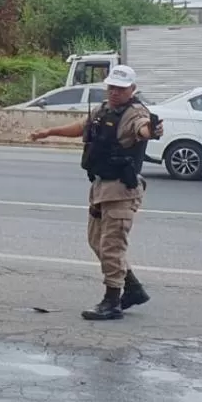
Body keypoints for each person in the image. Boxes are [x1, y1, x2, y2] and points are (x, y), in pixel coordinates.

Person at [29, 64, 164, 320]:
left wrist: (153, 130)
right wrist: (49, 132)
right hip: (101, 187)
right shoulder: (104, 110)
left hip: (122, 191)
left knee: (112, 246)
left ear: (132, 90)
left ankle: (112, 301)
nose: (114, 92)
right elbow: (82, 126)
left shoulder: (135, 114)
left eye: (121, 89)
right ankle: (133, 289)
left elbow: (143, 129)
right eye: (112, 87)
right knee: (96, 242)